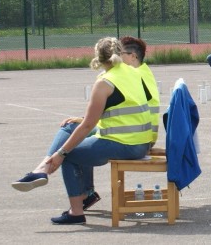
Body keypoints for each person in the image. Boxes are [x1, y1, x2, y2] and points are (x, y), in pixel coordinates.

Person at [11, 37, 152, 224]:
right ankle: (44, 169)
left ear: (98, 58)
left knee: (69, 155)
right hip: (141, 142)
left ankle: (76, 212)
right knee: (71, 127)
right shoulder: (134, 73)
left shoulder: (105, 83)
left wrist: (61, 153)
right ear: (119, 53)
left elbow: (87, 126)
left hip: (124, 144)